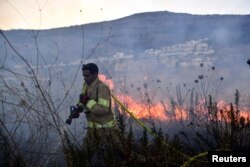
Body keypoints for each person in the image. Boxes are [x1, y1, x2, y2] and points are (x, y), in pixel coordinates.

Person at [75, 63, 120, 166]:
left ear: (95, 74)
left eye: (87, 76)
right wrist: (78, 108)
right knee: (83, 156)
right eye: (83, 76)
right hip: (92, 130)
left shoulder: (102, 88)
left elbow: (104, 109)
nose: (85, 78)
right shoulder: (86, 85)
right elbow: (83, 99)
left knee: (123, 151)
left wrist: (88, 103)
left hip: (107, 130)